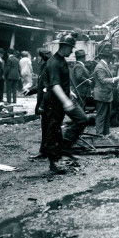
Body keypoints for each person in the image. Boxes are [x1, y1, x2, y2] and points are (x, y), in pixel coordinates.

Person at [43, 34, 87, 174]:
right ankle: (53, 165)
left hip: (62, 100)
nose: (72, 51)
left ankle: (65, 147)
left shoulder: (61, 60)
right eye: (71, 48)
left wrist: (69, 93)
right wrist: (66, 101)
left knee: (82, 119)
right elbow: (55, 85)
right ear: (65, 46)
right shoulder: (53, 62)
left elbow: (62, 83)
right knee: (53, 131)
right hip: (54, 103)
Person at [24, 49, 52, 159]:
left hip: (47, 103)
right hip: (45, 102)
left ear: (43, 57)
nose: (37, 58)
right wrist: (30, 91)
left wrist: (42, 105)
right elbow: (40, 86)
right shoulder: (43, 67)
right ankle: (46, 151)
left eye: (39, 56)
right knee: (46, 127)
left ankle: (46, 152)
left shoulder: (48, 68)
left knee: (47, 128)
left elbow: (47, 89)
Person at [93, 45, 119, 136]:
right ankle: (99, 135)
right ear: (107, 58)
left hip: (105, 95)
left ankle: (105, 134)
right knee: (101, 116)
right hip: (102, 96)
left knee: (106, 116)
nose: (111, 60)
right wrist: (115, 79)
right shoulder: (100, 67)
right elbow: (102, 80)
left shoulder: (104, 66)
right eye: (110, 58)